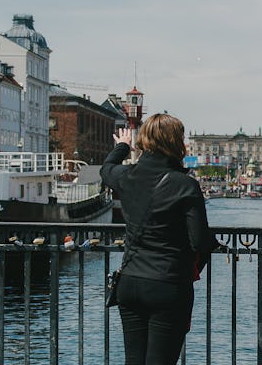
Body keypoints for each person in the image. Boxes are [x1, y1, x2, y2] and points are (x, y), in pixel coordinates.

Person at [100, 114, 217, 364]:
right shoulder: (185, 185)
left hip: (130, 282)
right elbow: (199, 241)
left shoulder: (126, 176)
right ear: (175, 143)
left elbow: (106, 168)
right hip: (167, 283)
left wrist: (123, 145)